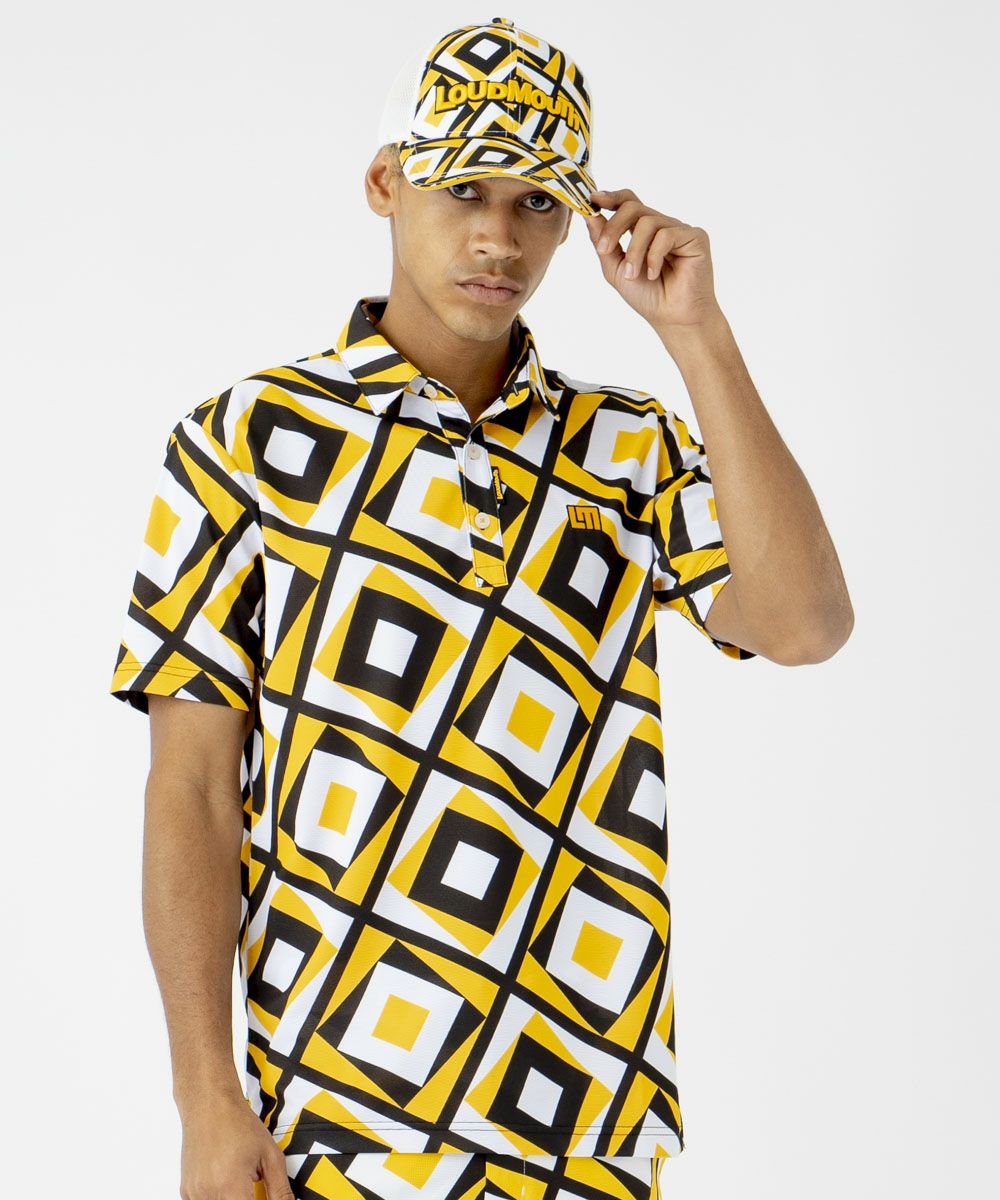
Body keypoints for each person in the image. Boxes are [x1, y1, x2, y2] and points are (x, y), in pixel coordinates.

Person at [108, 15, 853, 1200]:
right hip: (337, 1118)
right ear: (385, 182)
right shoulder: (242, 442)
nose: (498, 237)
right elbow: (190, 790)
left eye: (537, 203)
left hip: (590, 1119)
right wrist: (206, 1098)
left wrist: (696, 335)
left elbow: (803, 625)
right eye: (464, 189)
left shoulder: (625, 449)